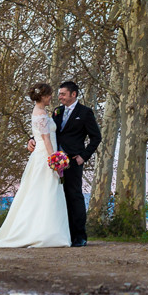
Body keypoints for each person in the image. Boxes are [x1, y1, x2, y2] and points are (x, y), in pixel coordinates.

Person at [0, 82, 70, 248]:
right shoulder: (40, 113)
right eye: (50, 94)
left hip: (41, 155)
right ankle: (43, 233)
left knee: (43, 191)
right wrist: (55, 158)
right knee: (45, 191)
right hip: (45, 155)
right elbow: (45, 138)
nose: (52, 97)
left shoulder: (41, 111)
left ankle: (45, 231)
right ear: (43, 96)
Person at [28, 81, 101, 247]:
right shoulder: (57, 111)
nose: (59, 97)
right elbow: (46, 132)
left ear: (73, 94)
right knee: (59, 198)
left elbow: (96, 137)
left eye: (62, 94)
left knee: (74, 196)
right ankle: (64, 234)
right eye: (58, 93)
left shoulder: (85, 113)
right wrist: (32, 140)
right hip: (54, 162)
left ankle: (80, 236)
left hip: (73, 161)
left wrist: (84, 156)